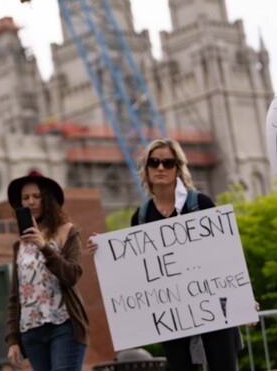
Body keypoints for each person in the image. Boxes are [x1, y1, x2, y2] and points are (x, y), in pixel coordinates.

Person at [87, 137, 241, 371]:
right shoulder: (140, 217)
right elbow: (138, 268)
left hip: (211, 305)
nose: (160, 168)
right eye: (154, 162)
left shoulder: (201, 204)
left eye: (167, 163)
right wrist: (104, 251)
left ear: (178, 168)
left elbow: (224, 255)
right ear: (146, 169)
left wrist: (241, 295)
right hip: (170, 313)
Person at [5, 171, 89, 371]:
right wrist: (13, 339)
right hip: (31, 331)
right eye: (25, 198)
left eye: (36, 196)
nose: (30, 202)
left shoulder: (67, 231)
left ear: (48, 199)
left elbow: (72, 275)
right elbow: (15, 296)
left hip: (64, 326)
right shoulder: (20, 245)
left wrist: (44, 247)